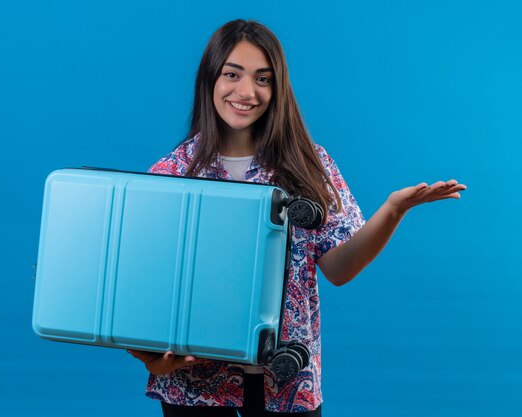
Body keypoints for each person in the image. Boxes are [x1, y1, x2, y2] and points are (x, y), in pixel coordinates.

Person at [128, 19, 466, 416]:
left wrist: (393, 211)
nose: (246, 92)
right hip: (193, 384)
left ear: (278, 88)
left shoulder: (307, 164)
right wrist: (147, 356)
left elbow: (340, 268)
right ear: (210, 79)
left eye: (263, 79)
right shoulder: (172, 173)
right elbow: (139, 284)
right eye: (232, 74)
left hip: (286, 384)